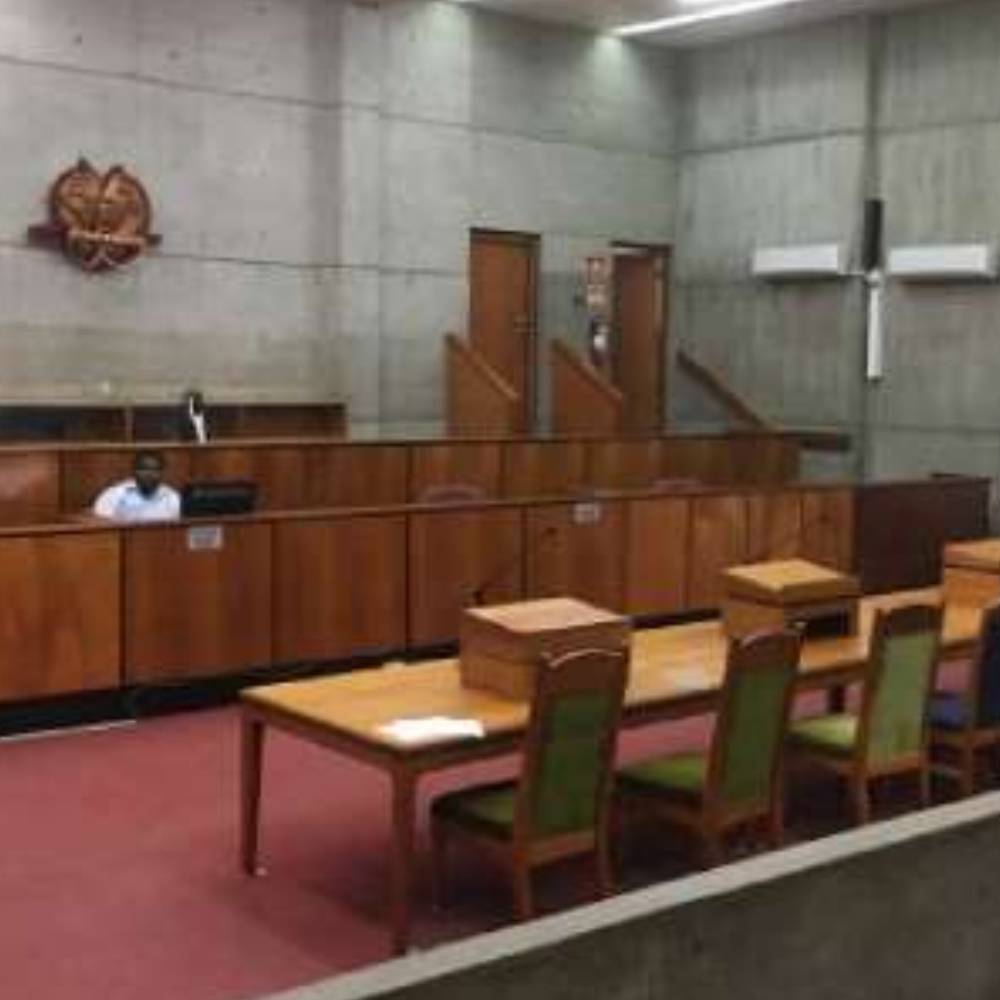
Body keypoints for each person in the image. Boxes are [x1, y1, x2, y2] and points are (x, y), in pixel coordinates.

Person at [92, 450, 181, 522]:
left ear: (162, 473)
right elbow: (100, 525)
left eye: (155, 469)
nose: (149, 474)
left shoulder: (171, 497)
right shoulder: (114, 495)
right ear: (133, 471)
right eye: (143, 469)